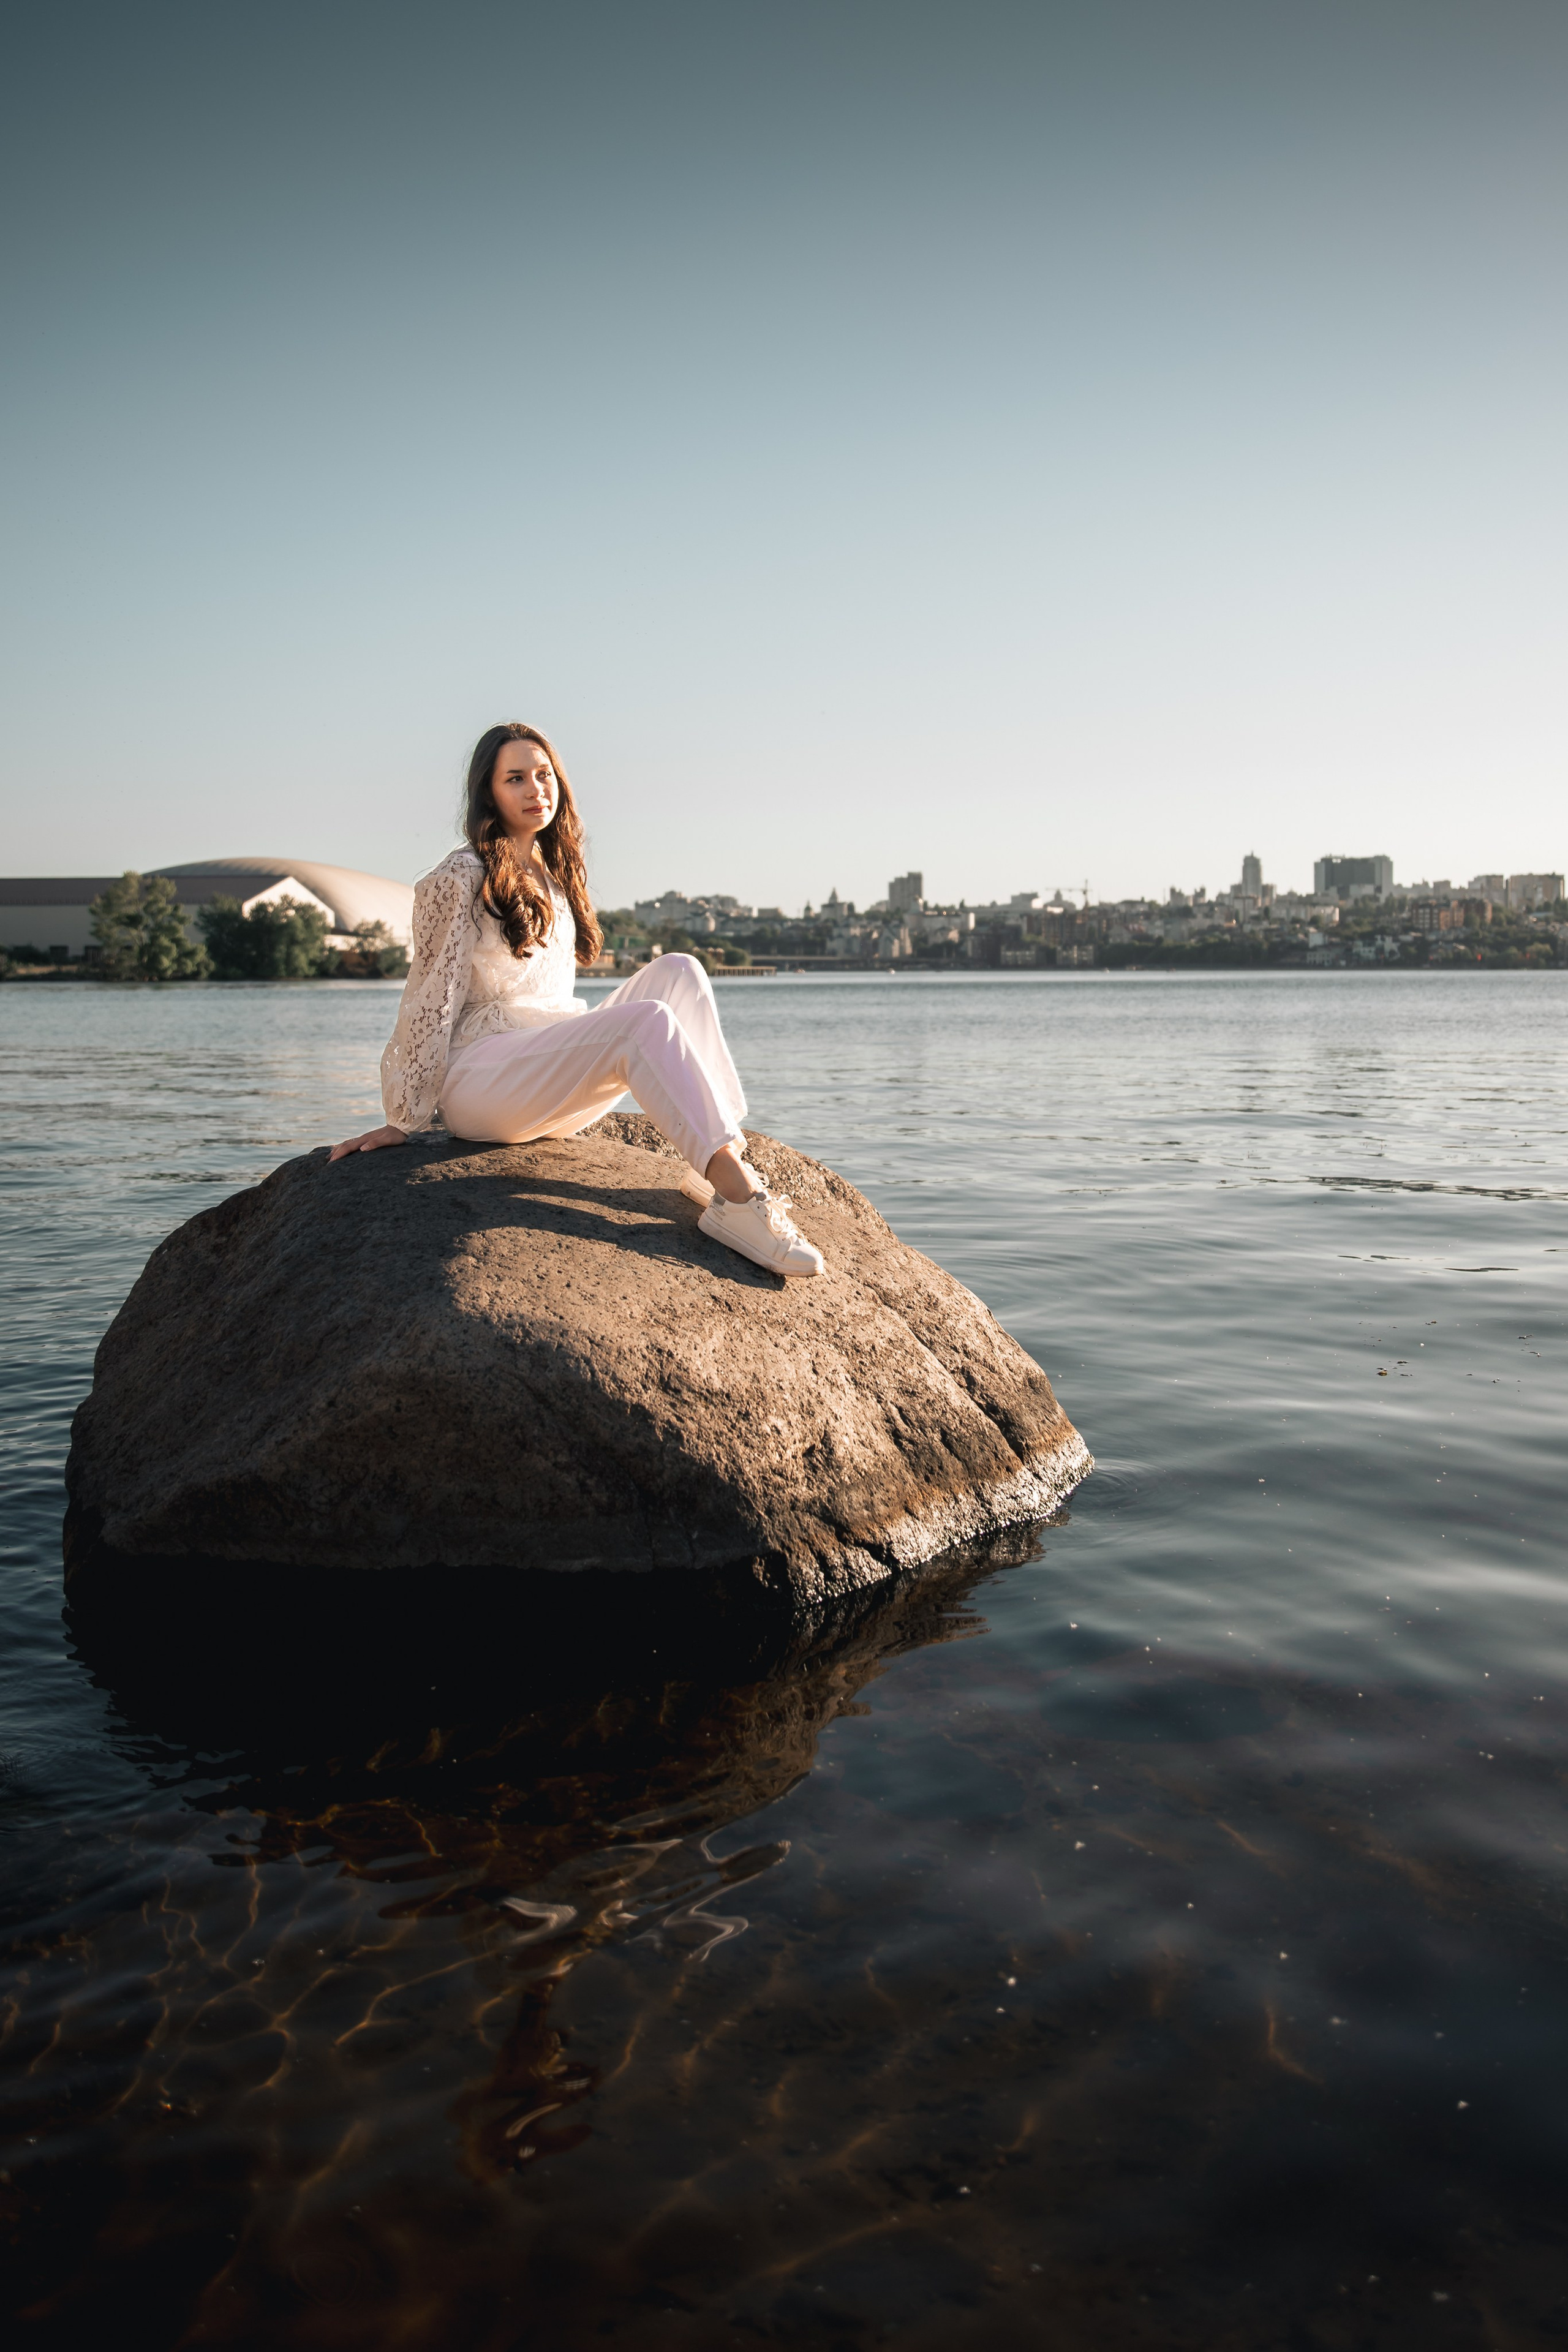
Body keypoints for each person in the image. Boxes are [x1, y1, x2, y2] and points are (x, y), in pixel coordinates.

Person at [328, 722, 823, 1278]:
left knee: (680, 972)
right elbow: (430, 994)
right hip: (479, 1079)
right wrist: (404, 1118)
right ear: (488, 792)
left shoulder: (553, 872)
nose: (535, 789)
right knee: (644, 1023)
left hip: (538, 1066)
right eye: (515, 778)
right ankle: (739, 1201)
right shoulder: (462, 874)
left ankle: (714, 1163)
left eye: (544, 776)